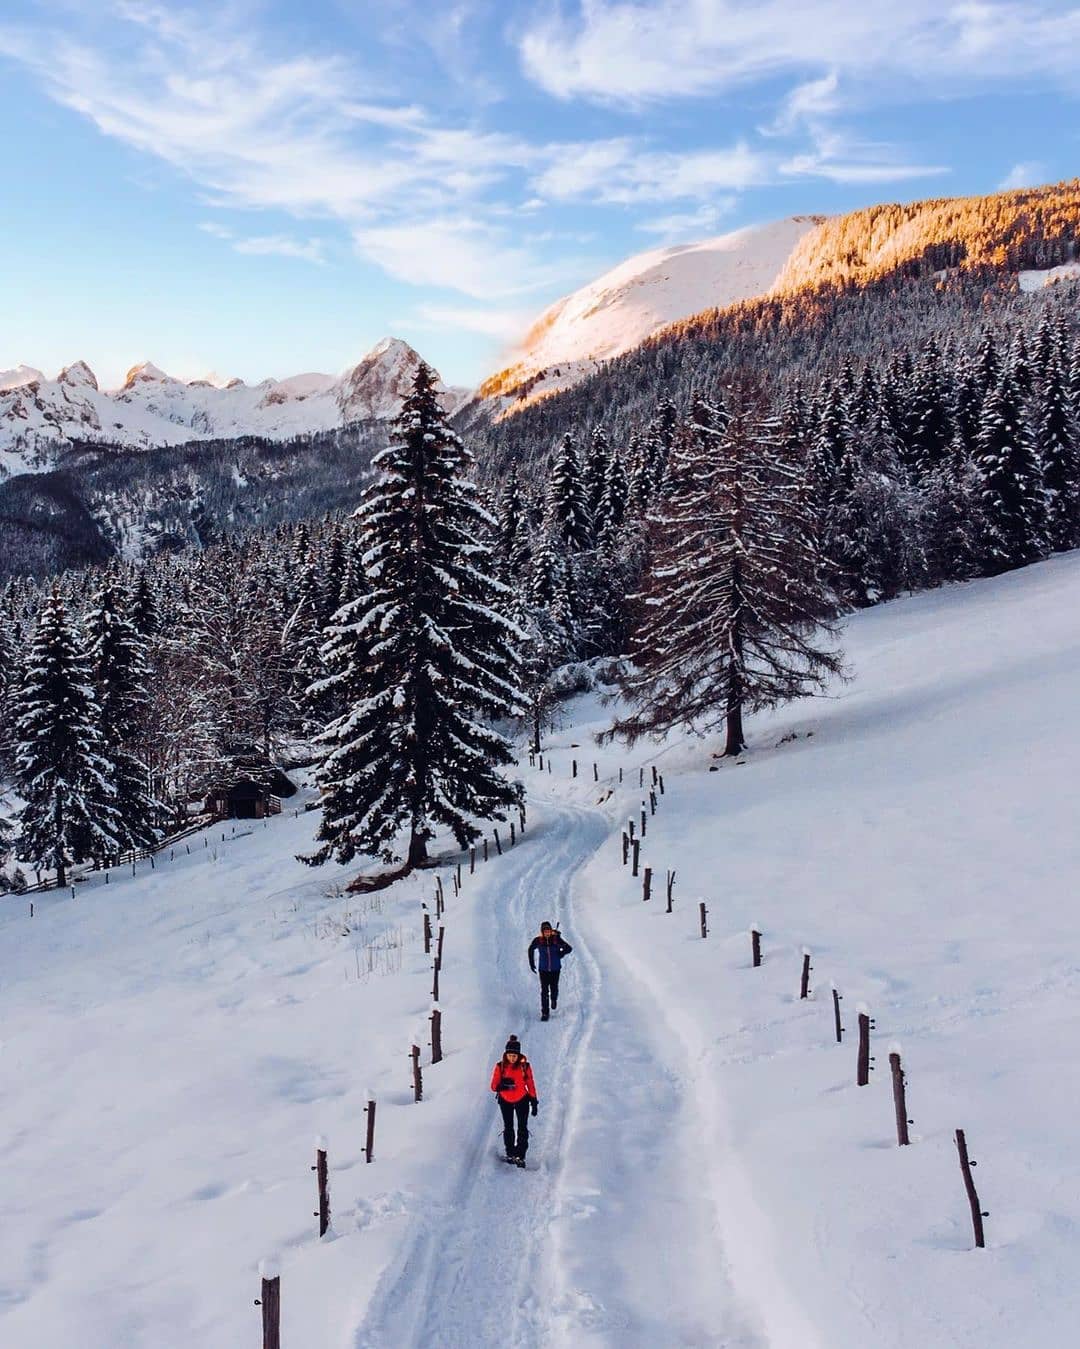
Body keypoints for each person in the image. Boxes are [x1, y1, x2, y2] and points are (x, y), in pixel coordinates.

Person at [490, 1035, 538, 1167]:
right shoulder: (500, 1067)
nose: (512, 1058)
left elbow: (530, 1083)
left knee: (522, 1128)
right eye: (510, 1055)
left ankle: (520, 1156)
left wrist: (534, 1100)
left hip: (522, 1099)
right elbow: (493, 1086)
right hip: (505, 1101)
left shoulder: (525, 1067)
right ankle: (510, 1153)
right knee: (508, 1127)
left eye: (514, 1055)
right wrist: (502, 1086)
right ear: (506, 1054)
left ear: (518, 1055)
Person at [528, 920, 573, 1021]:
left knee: (554, 988)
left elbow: (569, 948)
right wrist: (531, 963)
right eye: (545, 931)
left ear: (551, 931)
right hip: (543, 970)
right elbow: (530, 949)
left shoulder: (556, 940)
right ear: (542, 932)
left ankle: (554, 999)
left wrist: (561, 953)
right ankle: (545, 1013)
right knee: (544, 991)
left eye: (548, 931)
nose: (547, 933)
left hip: (555, 969)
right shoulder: (538, 941)